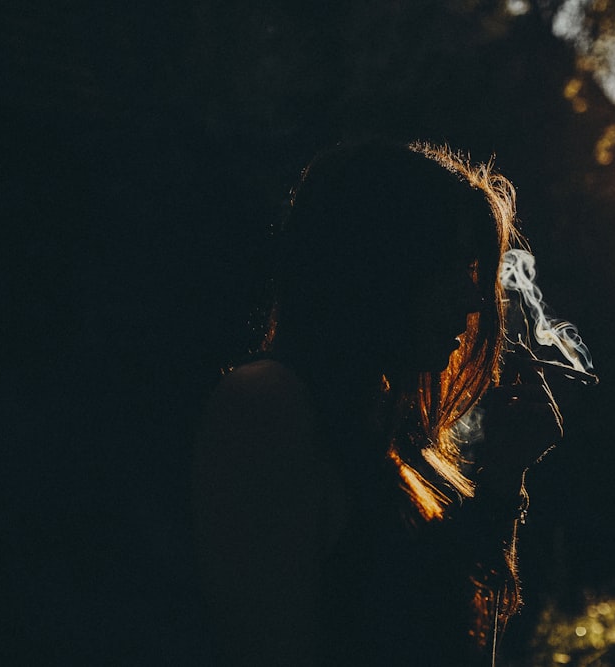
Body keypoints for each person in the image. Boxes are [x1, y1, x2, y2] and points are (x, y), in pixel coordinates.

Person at [193, 140, 564, 666]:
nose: (476, 297)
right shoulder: (268, 404)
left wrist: (504, 476)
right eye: (451, 266)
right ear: (376, 266)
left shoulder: (391, 433)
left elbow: (451, 641)